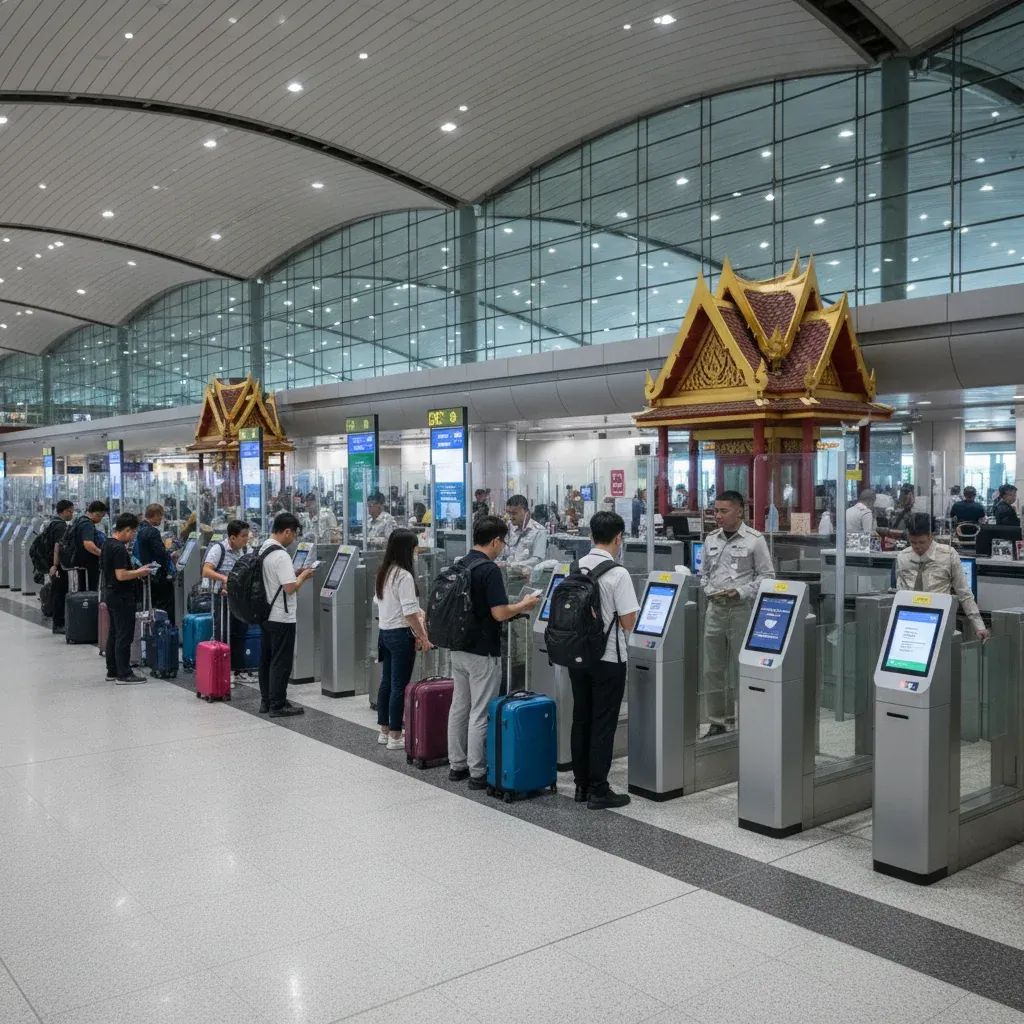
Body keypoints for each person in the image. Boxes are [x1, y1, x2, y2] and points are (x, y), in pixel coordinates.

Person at [446, 515, 541, 788]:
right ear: (496, 541)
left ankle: (457, 764)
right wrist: (523, 604)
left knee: (459, 707)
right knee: (479, 711)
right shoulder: (489, 571)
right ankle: (477, 772)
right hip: (482, 651)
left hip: (457, 647)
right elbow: (499, 613)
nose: (503, 547)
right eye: (503, 542)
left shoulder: (460, 564)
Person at [567, 510, 640, 810]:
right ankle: (599, 789)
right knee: (603, 722)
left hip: (577, 656)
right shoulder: (618, 573)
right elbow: (628, 621)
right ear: (619, 537)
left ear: (591, 536)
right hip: (608, 658)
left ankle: (581, 785)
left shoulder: (575, 566)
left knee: (581, 717)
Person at [699, 490, 774, 736]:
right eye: (715, 510)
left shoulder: (754, 539)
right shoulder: (711, 539)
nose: (717, 516)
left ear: (739, 511)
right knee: (713, 669)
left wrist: (741, 591)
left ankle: (749, 719)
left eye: (723, 511)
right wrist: (709, 589)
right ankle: (718, 721)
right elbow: (704, 574)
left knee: (743, 666)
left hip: (741, 609)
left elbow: (767, 577)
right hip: (715, 610)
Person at [374, 529, 432, 750]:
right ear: (407, 550)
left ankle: (385, 730)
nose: (416, 552)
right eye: (414, 548)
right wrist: (423, 636)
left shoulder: (384, 572)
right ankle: (396, 735)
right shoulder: (404, 576)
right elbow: (409, 613)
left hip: (384, 633)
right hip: (400, 634)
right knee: (399, 685)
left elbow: (383, 602)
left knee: (387, 682)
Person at [257, 512, 317, 717]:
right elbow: (290, 588)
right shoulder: (281, 554)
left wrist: (293, 571)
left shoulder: (264, 548)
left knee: (266, 660)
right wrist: (304, 576)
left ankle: (266, 701)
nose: (294, 539)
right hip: (281, 616)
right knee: (281, 662)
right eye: (294, 535)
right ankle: (278, 704)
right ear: (287, 531)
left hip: (265, 613)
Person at [897, 515, 988, 640]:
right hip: (910, 621)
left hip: (939, 620)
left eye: (922, 542)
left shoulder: (947, 555)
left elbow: (964, 593)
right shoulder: (903, 557)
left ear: (931, 536)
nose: (917, 546)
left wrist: (979, 626)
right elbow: (900, 594)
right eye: (913, 542)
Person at [101, 513, 153, 684]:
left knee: (114, 633)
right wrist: (141, 572)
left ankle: (112, 670)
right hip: (122, 596)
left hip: (110, 593)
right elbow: (121, 575)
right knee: (124, 635)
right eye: (132, 533)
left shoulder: (107, 544)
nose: (132, 537)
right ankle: (124, 674)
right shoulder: (119, 549)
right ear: (126, 530)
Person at [202, 519, 254, 682]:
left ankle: (238, 670)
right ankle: (223, 672)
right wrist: (225, 578)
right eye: (243, 536)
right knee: (224, 633)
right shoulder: (218, 549)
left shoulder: (246, 549)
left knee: (241, 632)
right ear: (232, 537)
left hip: (240, 599)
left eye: (247, 535)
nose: (247, 539)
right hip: (222, 599)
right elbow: (206, 570)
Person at [135, 504, 176, 624]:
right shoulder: (152, 532)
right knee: (164, 608)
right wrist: (169, 557)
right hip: (157, 578)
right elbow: (160, 555)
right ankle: (166, 632)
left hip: (147, 574)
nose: (161, 519)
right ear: (155, 515)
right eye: (160, 516)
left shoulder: (140, 529)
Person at [43, 500, 76, 635]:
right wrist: (55, 566)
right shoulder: (60, 526)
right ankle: (58, 624)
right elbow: (58, 546)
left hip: (53, 564)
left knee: (57, 591)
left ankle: (58, 622)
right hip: (58, 566)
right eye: (71, 511)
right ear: (64, 511)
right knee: (59, 593)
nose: (72, 514)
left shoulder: (52, 523)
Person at [64, 500, 107, 592]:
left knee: (82, 590)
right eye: (101, 516)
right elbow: (88, 544)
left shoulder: (79, 520)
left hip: (79, 562)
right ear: (97, 513)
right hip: (87, 563)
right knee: (90, 591)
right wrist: (103, 554)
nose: (101, 519)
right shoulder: (87, 524)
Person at [500, 494, 546, 578]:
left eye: (514, 513)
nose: (511, 517)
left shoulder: (539, 531)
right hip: (506, 577)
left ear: (526, 512)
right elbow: (502, 552)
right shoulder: (509, 527)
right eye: (509, 513)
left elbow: (537, 559)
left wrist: (512, 565)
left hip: (525, 579)